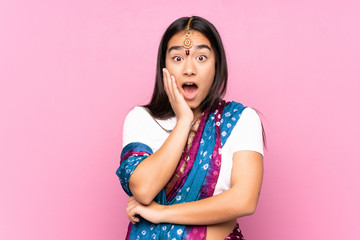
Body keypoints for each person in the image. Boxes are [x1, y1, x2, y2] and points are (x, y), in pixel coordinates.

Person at [116, 16, 264, 240]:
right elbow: (144, 189)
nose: (189, 69)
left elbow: (244, 200)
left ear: (216, 65)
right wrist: (184, 120)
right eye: (177, 58)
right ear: (163, 67)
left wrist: (162, 213)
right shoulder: (142, 119)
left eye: (201, 57)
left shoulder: (241, 119)